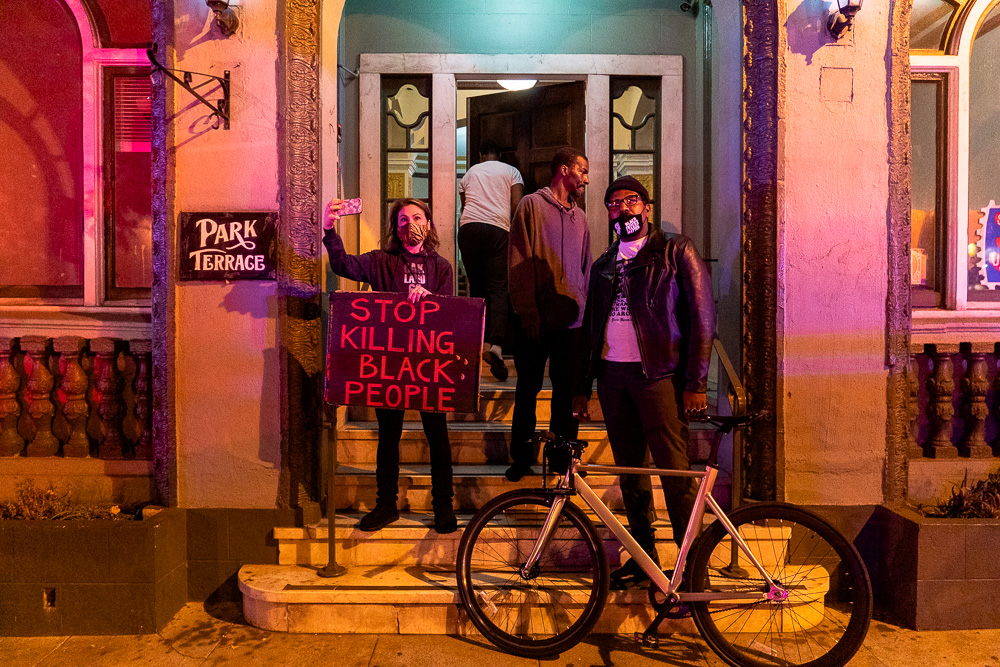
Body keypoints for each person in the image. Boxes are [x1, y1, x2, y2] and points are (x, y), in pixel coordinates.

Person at [572, 175, 715, 589]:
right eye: (614, 204)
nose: (623, 209)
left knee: (675, 473)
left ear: (647, 207)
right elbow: (591, 328)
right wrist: (583, 386)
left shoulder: (675, 250)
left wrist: (697, 382)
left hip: (660, 377)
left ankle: (691, 568)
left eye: (631, 201)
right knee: (631, 474)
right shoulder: (603, 266)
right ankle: (643, 558)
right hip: (614, 376)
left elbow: (702, 318)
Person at [324, 197, 457, 534]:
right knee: (389, 435)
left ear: (428, 224)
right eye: (401, 219)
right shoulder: (381, 262)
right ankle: (387, 504)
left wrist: (432, 301)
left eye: (416, 217)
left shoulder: (441, 268)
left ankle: (443, 504)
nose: (409, 223)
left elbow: (452, 314)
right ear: (395, 229)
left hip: (429, 364)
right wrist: (329, 227)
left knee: (437, 436)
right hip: (390, 364)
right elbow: (343, 265)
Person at [505, 147, 592, 482]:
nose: (586, 177)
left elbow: (584, 265)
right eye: (582, 170)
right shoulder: (531, 205)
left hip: (572, 321)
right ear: (564, 170)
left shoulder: (580, 217)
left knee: (566, 393)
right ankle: (522, 457)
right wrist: (527, 310)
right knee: (527, 388)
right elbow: (519, 259)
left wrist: (583, 307)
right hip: (535, 319)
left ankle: (561, 460)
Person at [458, 139, 524, 381]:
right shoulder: (511, 171)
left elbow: (465, 206)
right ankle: (495, 346)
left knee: (477, 289)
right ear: (499, 154)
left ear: (480, 154)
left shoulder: (469, 174)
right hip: (497, 230)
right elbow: (518, 204)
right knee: (498, 289)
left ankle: (475, 345)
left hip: (468, 230)